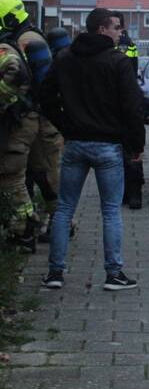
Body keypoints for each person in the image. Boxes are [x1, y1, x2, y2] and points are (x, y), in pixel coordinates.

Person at [38, 7, 144, 291]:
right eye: (116, 27)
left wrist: (65, 125)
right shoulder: (117, 62)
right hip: (108, 147)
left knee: (64, 209)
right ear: (101, 29)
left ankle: (55, 273)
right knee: (110, 211)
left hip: (74, 145)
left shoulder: (64, 58)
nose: (120, 32)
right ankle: (113, 274)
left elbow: (44, 96)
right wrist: (136, 146)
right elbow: (133, 107)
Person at [0, 0, 57, 252]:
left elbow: (19, 77)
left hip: (28, 118)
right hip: (38, 118)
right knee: (41, 173)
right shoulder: (30, 37)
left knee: (14, 173)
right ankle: (55, 222)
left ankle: (25, 229)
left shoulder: (23, 41)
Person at [32, 27, 73, 243]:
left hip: (45, 121)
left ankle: (61, 221)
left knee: (46, 171)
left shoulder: (54, 60)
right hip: (56, 122)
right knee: (50, 170)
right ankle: (62, 220)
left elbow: (46, 92)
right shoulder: (70, 59)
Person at [0, 25, 35, 252]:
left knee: (11, 180)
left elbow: (17, 73)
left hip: (13, 128)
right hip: (14, 126)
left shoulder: (4, 49)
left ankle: (24, 231)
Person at [112, 13, 144, 210]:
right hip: (120, 98)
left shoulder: (123, 43)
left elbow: (129, 69)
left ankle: (133, 192)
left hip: (124, 97)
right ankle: (128, 192)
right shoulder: (127, 43)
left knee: (131, 148)